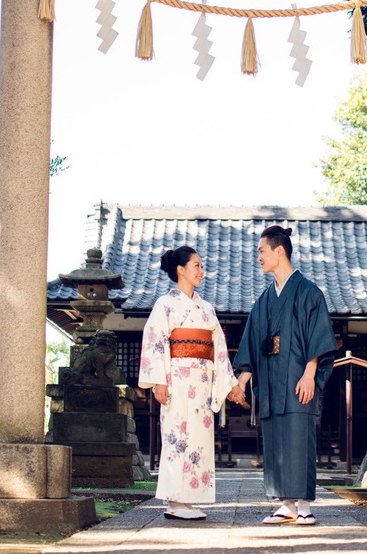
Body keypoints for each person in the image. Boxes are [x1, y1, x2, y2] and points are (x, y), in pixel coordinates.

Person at [234, 225, 336, 526]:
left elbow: (319, 335)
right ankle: (285, 504)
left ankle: (304, 504)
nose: (259, 258)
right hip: (269, 380)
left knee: (299, 438)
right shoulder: (264, 301)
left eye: (262, 252)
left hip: (297, 378)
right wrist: (241, 381)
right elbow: (251, 342)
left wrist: (310, 371)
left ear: (280, 251)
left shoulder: (308, 292)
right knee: (276, 440)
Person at [139, 246, 247, 520]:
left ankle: (189, 500)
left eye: (201, 265)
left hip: (201, 382)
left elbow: (219, 349)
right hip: (175, 380)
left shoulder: (206, 308)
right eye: (196, 265)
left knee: (198, 441)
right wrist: (158, 381)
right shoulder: (165, 304)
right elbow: (155, 342)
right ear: (180, 270)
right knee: (176, 439)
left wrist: (230, 384)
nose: (201, 271)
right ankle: (175, 501)